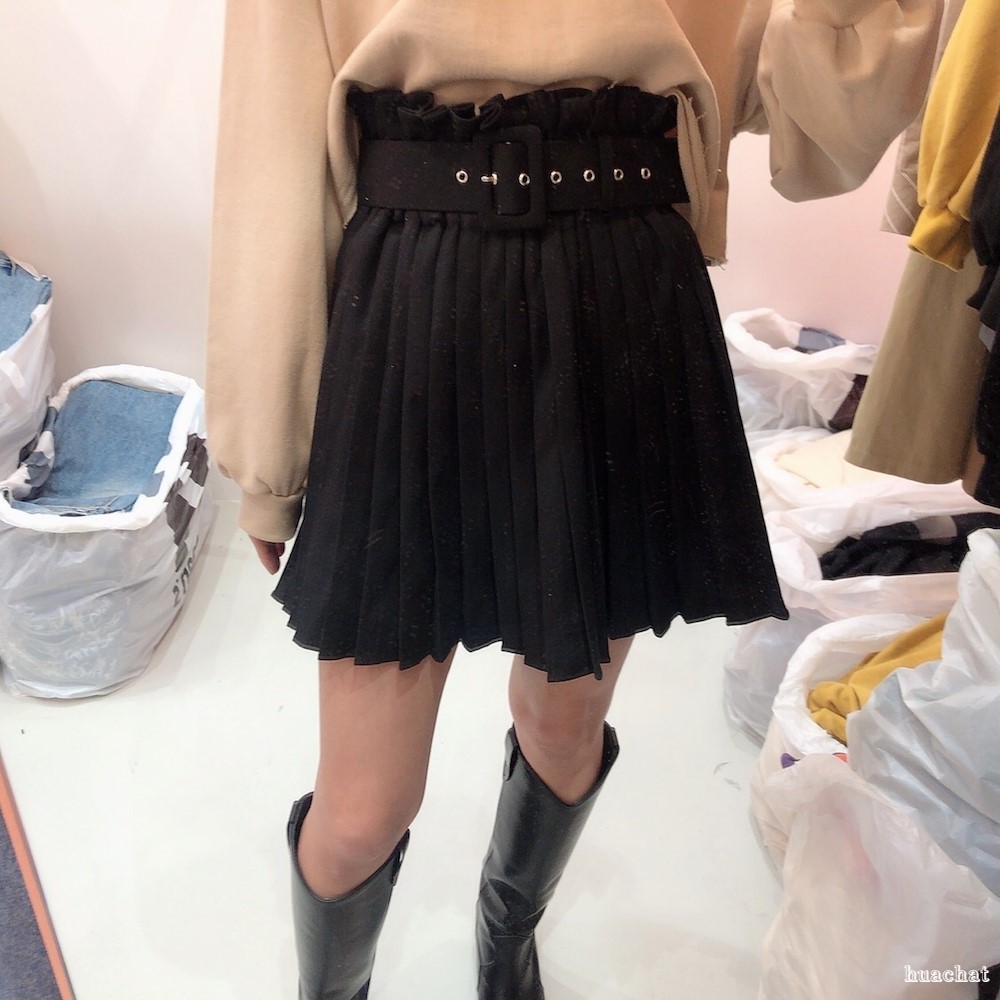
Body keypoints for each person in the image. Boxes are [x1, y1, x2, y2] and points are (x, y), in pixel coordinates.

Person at [206, 2, 942, 997]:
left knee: (563, 728)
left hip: (620, 289)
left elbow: (815, 101)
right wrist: (270, 456)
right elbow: (271, 148)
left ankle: (506, 938)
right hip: (416, 298)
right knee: (363, 809)